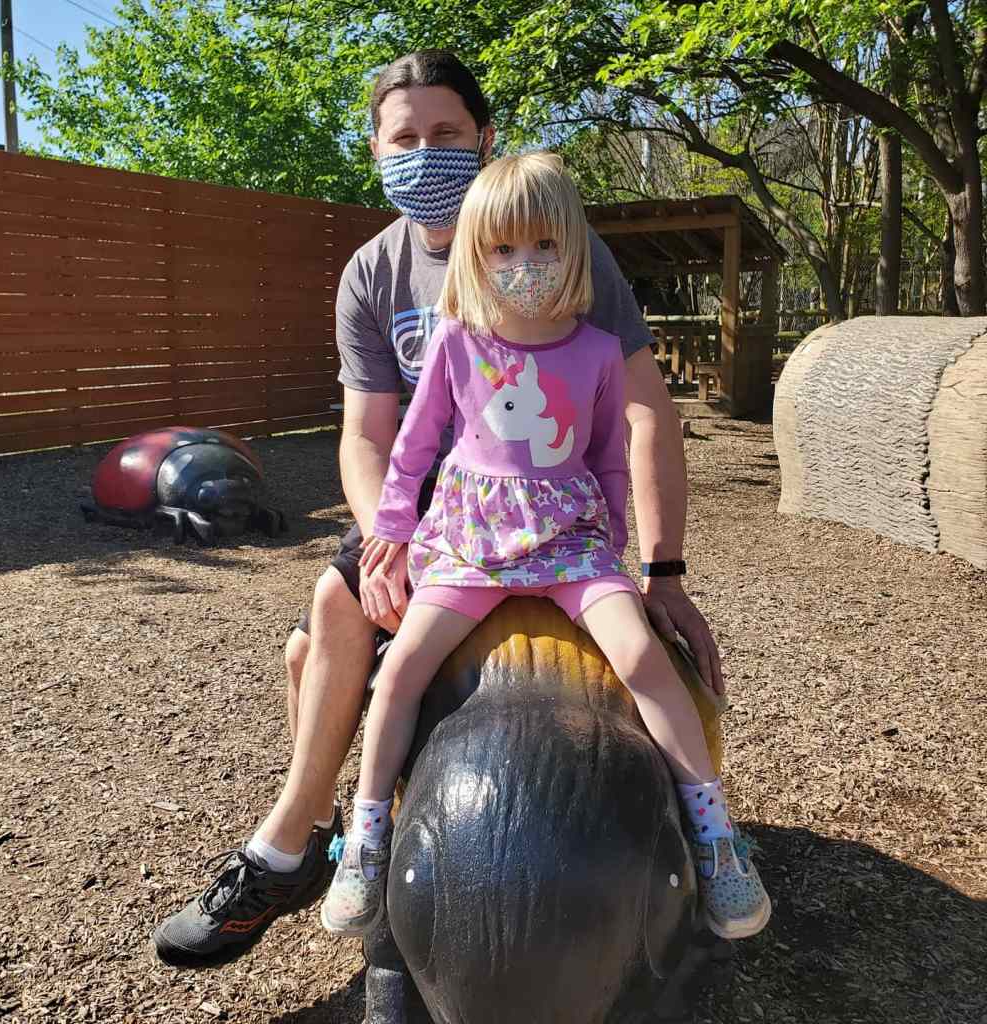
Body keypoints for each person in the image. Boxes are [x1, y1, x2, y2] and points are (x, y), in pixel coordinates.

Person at [152, 49, 724, 968]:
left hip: (549, 509)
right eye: (404, 137)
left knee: (325, 628)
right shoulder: (373, 272)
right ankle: (315, 842)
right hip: (433, 507)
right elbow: (369, 435)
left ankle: (291, 849)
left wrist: (663, 568)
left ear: (484, 138)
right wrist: (388, 537)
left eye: (446, 132)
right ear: (376, 151)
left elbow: (643, 410)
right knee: (318, 635)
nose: (425, 153)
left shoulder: (559, 243)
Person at [317, 153, 770, 941]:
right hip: (471, 541)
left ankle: (714, 835)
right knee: (402, 670)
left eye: (544, 246)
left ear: (573, 249)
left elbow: (606, 454)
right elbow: (413, 447)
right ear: (476, 253)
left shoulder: (596, 350)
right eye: (503, 248)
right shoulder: (455, 343)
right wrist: (392, 528)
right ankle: (367, 835)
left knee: (641, 655)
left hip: (570, 542)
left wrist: (613, 542)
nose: (524, 265)